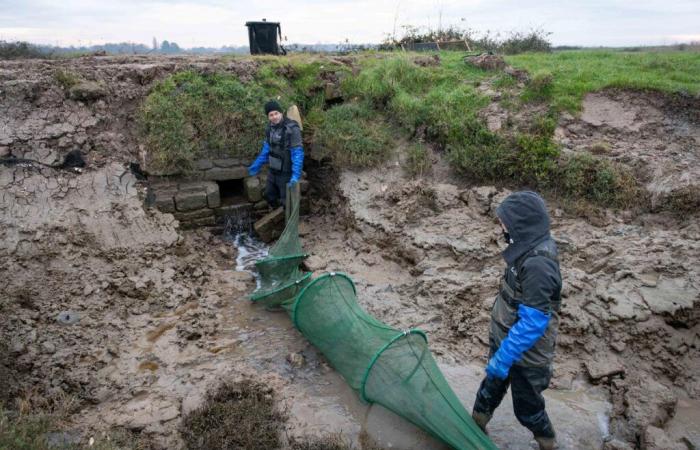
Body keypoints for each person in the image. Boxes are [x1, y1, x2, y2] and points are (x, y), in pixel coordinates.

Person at [471, 191, 562, 450]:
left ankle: (548, 442)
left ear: (522, 225)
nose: (501, 226)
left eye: (505, 222)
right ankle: (474, 426)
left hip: (527, 356)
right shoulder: (523, 247)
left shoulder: (539, 263)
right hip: (505, 343)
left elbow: (534, 322)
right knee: (488, 392)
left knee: (527, 409)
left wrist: (504, 357)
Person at [247, 100, 304, 208]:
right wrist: (258, 163)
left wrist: (295, 175)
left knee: (286, 201)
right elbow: (267, 148)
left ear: (281, 113)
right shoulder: (269, 128)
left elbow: (298, 153)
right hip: (273, 171)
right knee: (269, 195)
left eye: (276, 113)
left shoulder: (292, 129)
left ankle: (286, 219)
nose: (274, 117)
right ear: (268, 117)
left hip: (286, 173)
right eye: (271, 115)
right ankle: (277, 212)